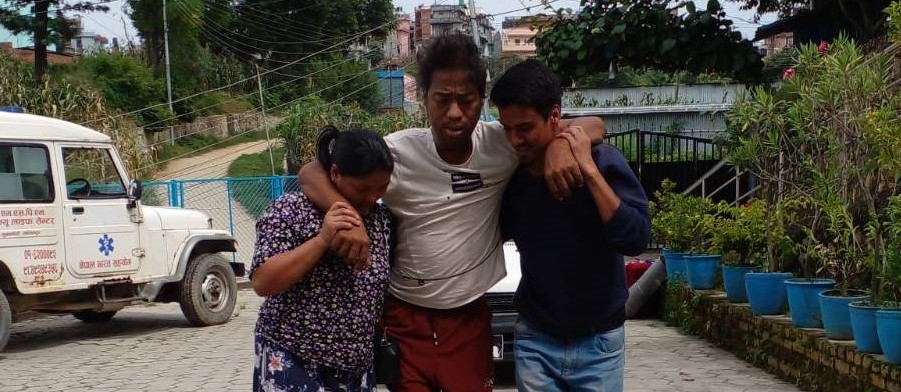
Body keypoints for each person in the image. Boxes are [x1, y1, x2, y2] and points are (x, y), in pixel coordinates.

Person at [298, 32, 606, 392]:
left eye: (467, 100)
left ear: (481, 100)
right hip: (405, 315)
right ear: (424, 98)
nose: (455, 112)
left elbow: (595, 125)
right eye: (443, 99)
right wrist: (345, 216)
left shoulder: (501, 144)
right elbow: (311, 171)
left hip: (468, 316)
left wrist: (558, 146)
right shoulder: (397, 153)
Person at [492, 59, 651, 392]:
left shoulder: (605, 161)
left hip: (600, 343)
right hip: (536, 338)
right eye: (507, 128)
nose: (515, 140)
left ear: (554, 117)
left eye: (524, 128)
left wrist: (588, 171)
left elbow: (636, 238)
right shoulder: (510, 174)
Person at [249, 126, 394, 392]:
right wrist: (322, 239)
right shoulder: (290, 210)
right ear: (335, 173)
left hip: (356, 369)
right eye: (363, 189)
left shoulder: (380, 220)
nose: (373, 197)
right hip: (293, 358)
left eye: (381, 188)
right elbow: (263, 281)